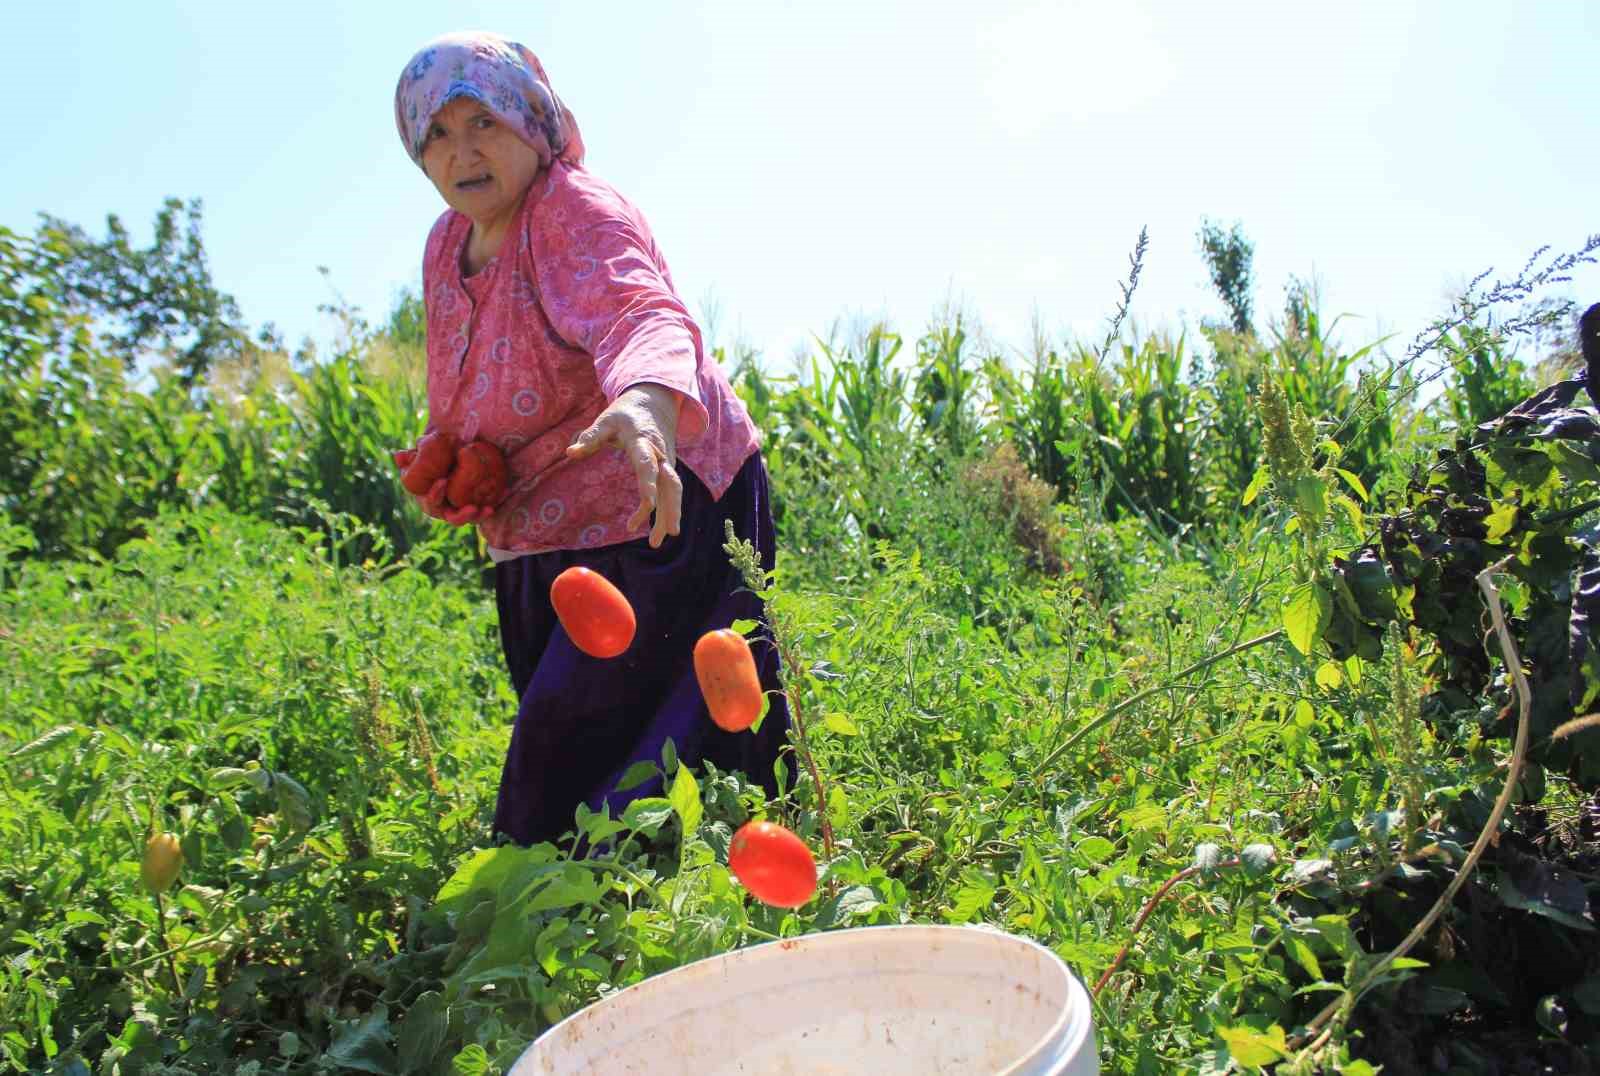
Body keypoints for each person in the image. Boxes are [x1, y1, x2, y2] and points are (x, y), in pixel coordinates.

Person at [393, 31, 789, 847]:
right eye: (438, 132)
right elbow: (467, 380)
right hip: (546, 530)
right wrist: (454, 460)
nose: (462, 151)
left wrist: (644, 407)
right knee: (573, 732)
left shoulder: (571, 209)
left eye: (485, 123)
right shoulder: (444, 247)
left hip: (657, 506)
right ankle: (592, 897)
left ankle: (676, 891)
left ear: (532, 123)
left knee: (667, 735)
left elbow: (641, 313)